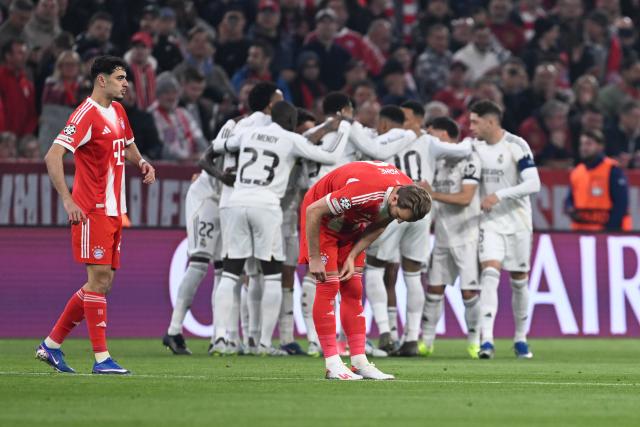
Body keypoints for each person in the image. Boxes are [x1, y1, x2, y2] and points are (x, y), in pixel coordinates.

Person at [36, 55, 156, 374]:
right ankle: (102, 359)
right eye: (119, 77)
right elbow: (53, 155)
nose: (126, 83)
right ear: (101, 80)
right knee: (98, 280)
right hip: (92, 210)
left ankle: (51, 346)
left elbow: (126, 146)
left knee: (102, 283)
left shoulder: (117, 111)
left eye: (126, 77)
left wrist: (141, 162)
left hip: (116, 210)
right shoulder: (86, 114)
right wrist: (67, 200)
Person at [211, 101, 347, 356]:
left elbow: (215, 148)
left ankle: (220, 339)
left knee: (231, 273)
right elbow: (329, 156)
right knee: (272, 275)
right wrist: (342, 127)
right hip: (267, 205)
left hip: (237, 201)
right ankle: (263, 344)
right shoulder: (290, 139)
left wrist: (220, 175)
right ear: (291, 121)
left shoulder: (248, 134)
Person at [355, 102, 471, 356]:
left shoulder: (383, 139)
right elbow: (462, 150)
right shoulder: (428, 141)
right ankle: (409, 339)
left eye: (408, 118)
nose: (404, 123)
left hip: (395, 205)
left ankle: (387, 332)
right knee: (412, 273)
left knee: (375, 267)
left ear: (417, 119)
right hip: (422, 208)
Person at [300, 160, 431, 379]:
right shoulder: (364, 192)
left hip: (351, 224)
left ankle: (359, 362)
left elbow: (380, 223)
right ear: (395, 198)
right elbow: (314, 211)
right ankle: (332, 363)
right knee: (329, 286)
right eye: (398, 215)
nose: (397, 221)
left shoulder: (405, 191)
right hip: (322, 220)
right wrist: (314, 257)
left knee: (353, 288)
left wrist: (352, 255)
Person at [468, 100, 540, 359]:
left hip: (518, 222)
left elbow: (534, 183)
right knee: (489, 273)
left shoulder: (516, 145)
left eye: (475, 121)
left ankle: (521, 338)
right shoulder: (473, 147)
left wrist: (499, 195)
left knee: (519, 282)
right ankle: (486, 340)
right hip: (490, 222)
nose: (471, 126)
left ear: (491, 121)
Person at [420, 116, 482, 359]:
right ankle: (426, 342)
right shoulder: (435, 163)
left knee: (469, 293)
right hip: (443, 237)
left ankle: (475, 342)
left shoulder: (470, 158)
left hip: (467, 236)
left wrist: (431, 193)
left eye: (431, 133)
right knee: (434, 289)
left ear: (444, 134)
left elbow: (466, 198)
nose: (429, 138)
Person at [163, 145, 224, 355]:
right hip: (206, 199)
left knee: (224, 270)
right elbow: (206, 158)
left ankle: (220, 337)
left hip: (227, 203)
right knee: (198, 264)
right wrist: (219, 176)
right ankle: (174, 330)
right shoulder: (236, 128)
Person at [566, 130, 632, 231]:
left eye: (588, 144)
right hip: (581, 232)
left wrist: (609, 230)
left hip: (606, 231)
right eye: (582, 144)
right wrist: (570, 208)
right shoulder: (577, 172)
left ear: (600, 146)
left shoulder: (612, 170)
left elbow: (621, 204)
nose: (584, 148)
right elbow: (569, 199)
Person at [0, 37, 37, 137]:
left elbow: (31, 114)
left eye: (25, 53)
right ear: (8, 56)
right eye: (20, 53)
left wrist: (26, 135)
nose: (24, 57)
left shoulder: (27, 84)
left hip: (21, 140)